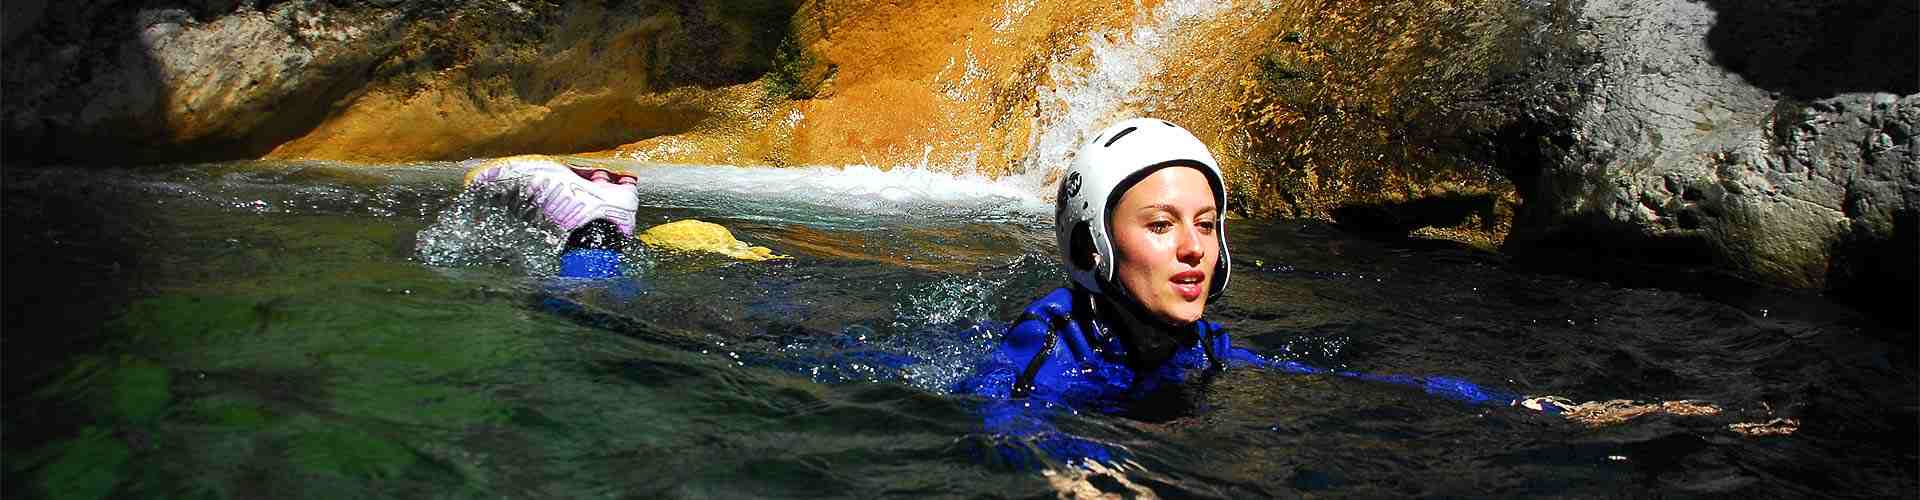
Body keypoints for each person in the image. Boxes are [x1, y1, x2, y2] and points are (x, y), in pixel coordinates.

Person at [953, 119, 1538, 467]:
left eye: (1206, 225)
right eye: (1161, 225)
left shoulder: (1200, 343)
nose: (1194, 249)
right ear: (1090, 248)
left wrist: (1508, 403)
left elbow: (1335, 380)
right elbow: (997, 416)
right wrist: (1078, 466)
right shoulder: (1052, 338)